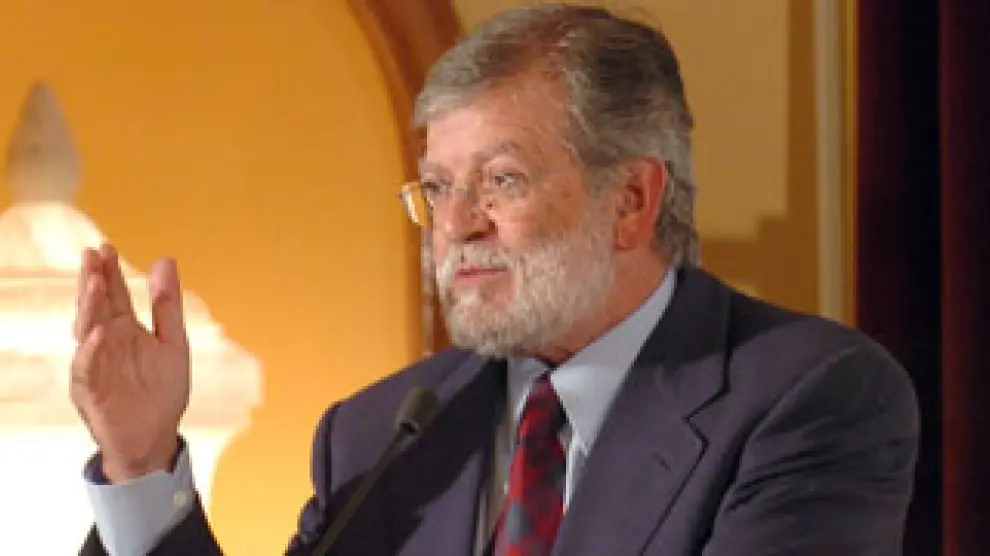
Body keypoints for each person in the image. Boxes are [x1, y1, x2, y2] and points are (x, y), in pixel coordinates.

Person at [72, 4, 919, 555]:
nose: (456, 225)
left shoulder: (808, 399)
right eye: (438, 188)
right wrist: (141, 463)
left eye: (501, 181)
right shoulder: (379, 436)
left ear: (630, 201)